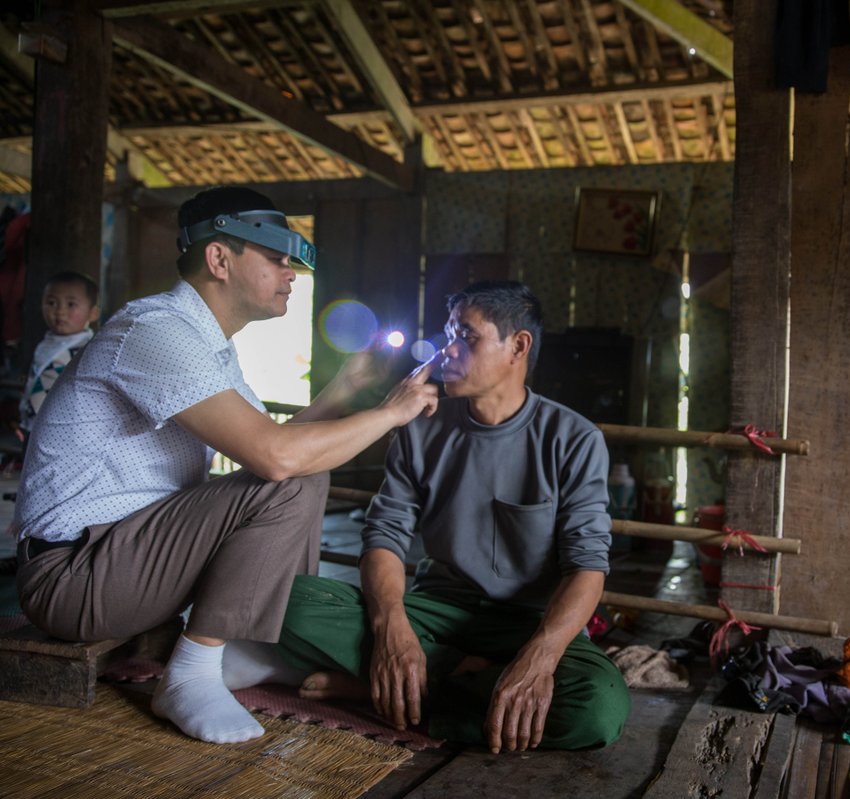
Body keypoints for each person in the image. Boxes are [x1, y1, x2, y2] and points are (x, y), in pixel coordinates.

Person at [12, 186, 440, 745]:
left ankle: (250, 647)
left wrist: (345, 388)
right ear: (219, 259)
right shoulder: (153, 330)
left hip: (126, 558)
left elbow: (280, 444)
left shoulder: (210, 346)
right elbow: (277, 458)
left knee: (299, 471)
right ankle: (190, 675)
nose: (290, 274)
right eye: (276, 258)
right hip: (73, 576)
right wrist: (391, 413)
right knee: (292, 474)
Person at [239, 281, 630, 753]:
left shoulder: (573, 438)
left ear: (518, 346)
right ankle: (450, 681)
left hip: (528, 623)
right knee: (280, 600)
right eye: (448, 334)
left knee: (598, 706)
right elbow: (384, 536)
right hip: (436, 613)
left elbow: (588, 565)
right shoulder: (421, 428)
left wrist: (541, 658)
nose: (449, 349)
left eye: (468, 336)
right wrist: (391, 628)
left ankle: (402, 691)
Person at [18, 271, 100, 439]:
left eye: (71, 305)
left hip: (63, 431)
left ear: (93, 313)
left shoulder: (89, 349)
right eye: (51, 302)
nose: (60, 311)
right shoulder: (45, 343)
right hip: (32, 426)